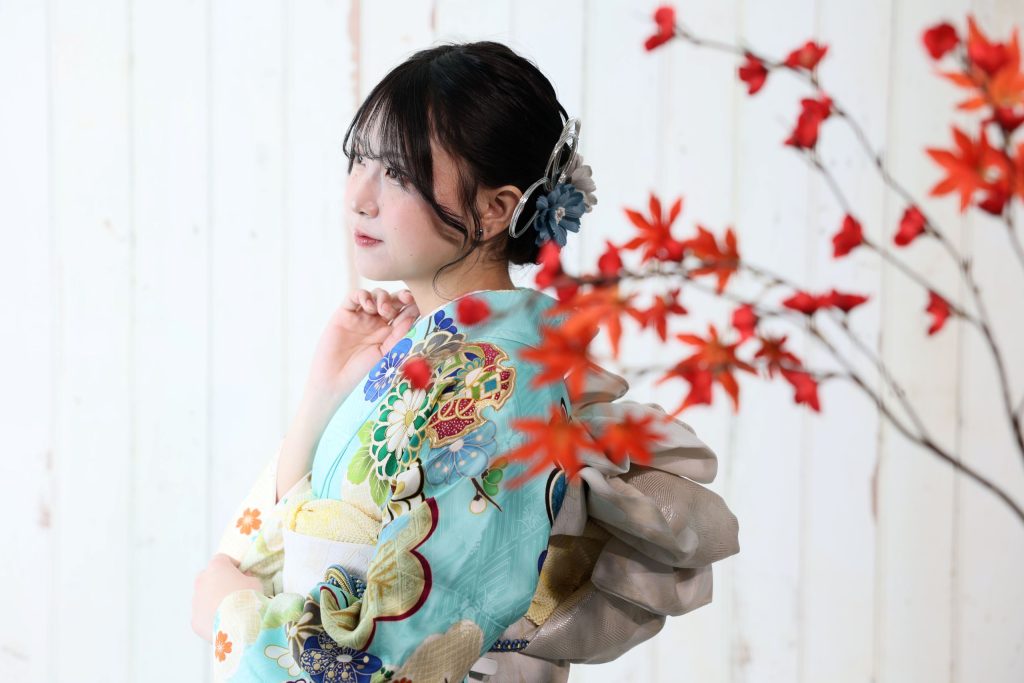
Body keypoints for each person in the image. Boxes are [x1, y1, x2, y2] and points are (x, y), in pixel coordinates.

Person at [191, 41, 740, 683]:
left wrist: (234, 615)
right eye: (359, 160)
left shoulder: (500, 379)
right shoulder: (418, 351)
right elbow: (273, 547)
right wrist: (324, 393)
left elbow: (403, 652)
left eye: (399, 173)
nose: (360, 197)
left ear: (494, 209)